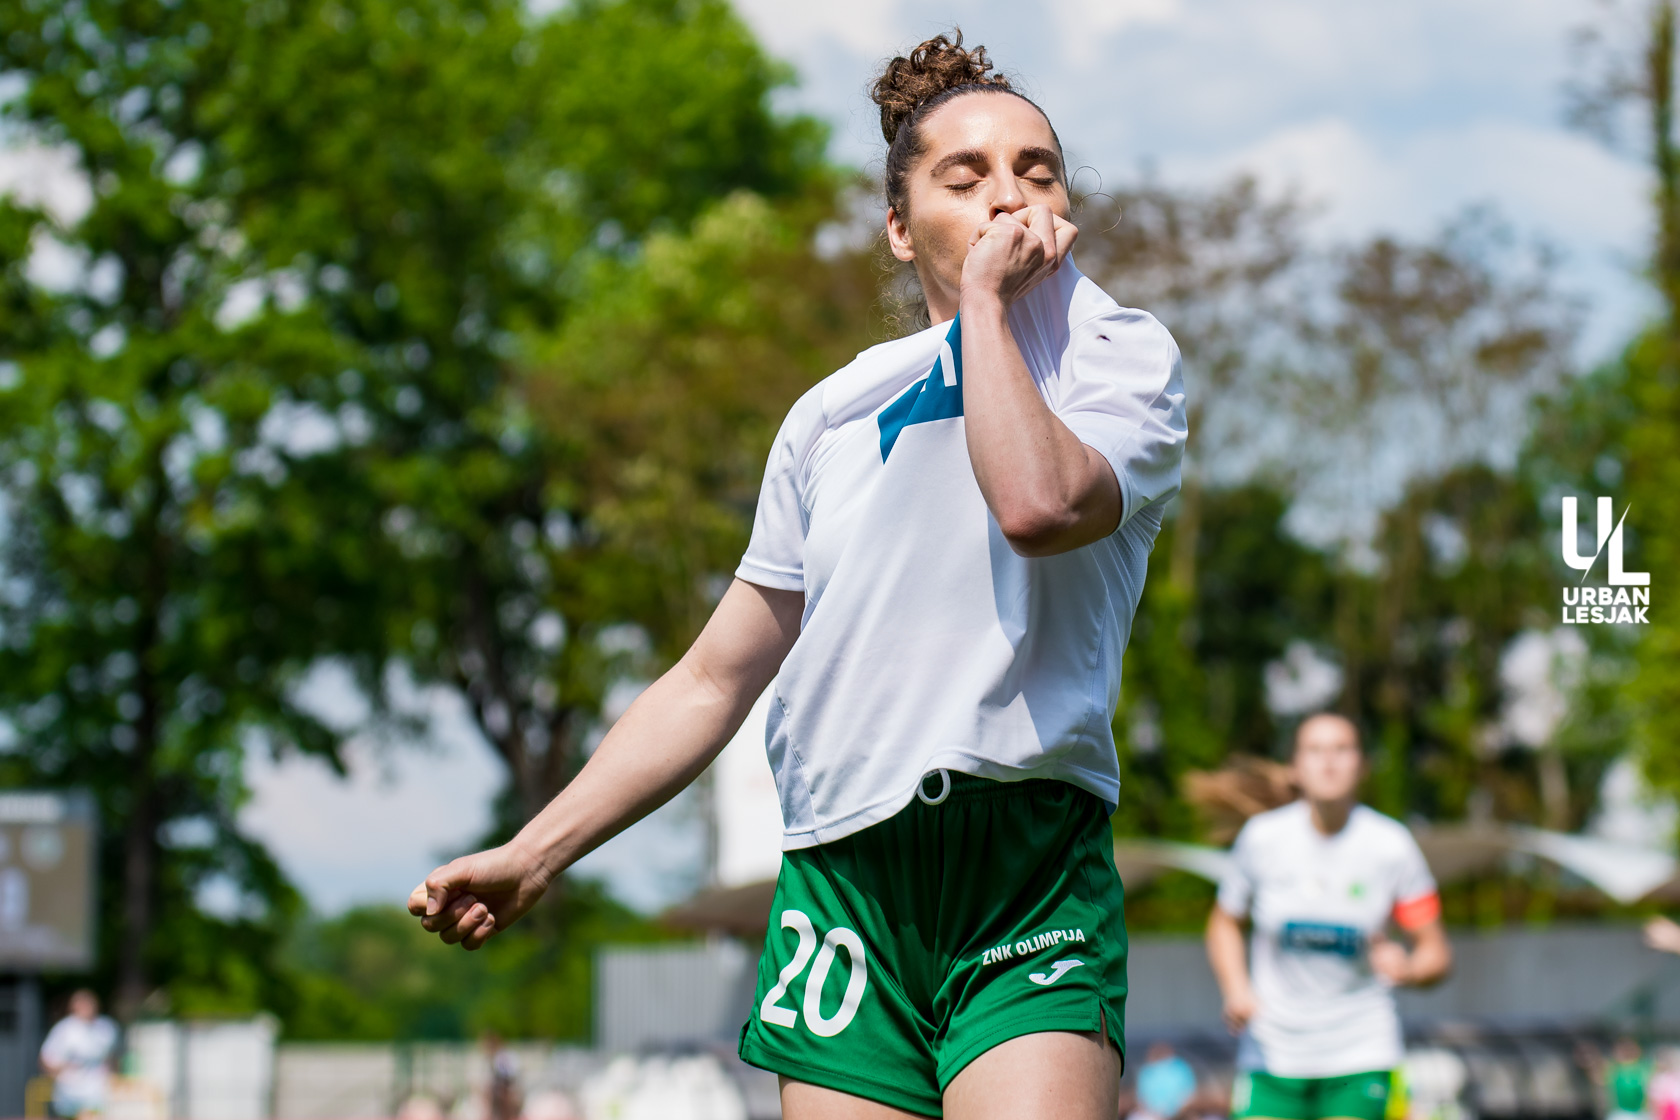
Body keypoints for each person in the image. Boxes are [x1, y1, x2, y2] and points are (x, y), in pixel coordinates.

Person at [407, 29, 1185, 1120]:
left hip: (1025, 863)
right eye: (964, 177)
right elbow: (714, 678)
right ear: (900, 227)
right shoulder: (833, 414)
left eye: (1036, 170)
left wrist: (986, 308)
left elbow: (1039, 506)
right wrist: (538, 854)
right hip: (841, 879)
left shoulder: (1118, 357)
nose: (1007, 196)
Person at [1206, 714, 1452, 1120]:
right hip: (1272, 1053)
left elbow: (1436, 953)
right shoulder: (1262, 838)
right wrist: (1236, 988)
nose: (1329, 761)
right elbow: (1224, 923)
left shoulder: (1391, 846)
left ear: (1363, 765)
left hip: (1360, 1052)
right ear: (1295, 767)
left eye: (1342, 749)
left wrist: (1408, 968)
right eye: (1315, 750)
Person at [38, 989, 119, 1119]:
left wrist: (113, 1076)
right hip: (69, 1093)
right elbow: (46, 1058)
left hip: (96, 1092)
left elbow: (112, 1057)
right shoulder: (64, 1029)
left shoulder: (106, 1028)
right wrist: (60, 1072)